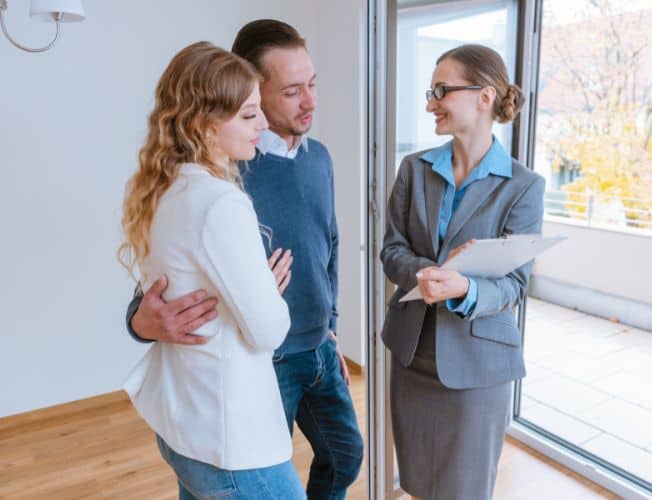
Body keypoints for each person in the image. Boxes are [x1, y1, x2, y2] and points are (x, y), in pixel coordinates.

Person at [124, 20, 363, 500]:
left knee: (344, 455)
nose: (311, 101)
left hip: (317, 346)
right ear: (248, 90)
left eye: (312, 84)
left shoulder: (320, 160)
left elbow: (329, 246)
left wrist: (330, 326)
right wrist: (140, 322)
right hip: (261, 361)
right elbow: (161, 285)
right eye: (293, 91)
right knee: (239, 471)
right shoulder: (226, 177)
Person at [380, 44, 545, 500]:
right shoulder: (413, 170)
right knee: (417, 481)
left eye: (441, 90)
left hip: (479, 367)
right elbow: (391, 249)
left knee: (464, 489)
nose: (431, 103)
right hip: (413, 355)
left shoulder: (523, 187)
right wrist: (427, 275)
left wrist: (465, 288)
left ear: (484, 96)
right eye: (431, 92)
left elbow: (513, 283)